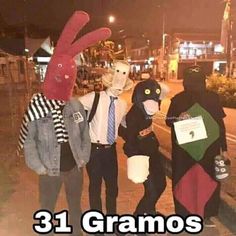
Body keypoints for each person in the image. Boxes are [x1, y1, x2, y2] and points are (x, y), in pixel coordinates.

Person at [18, 11, 111, 236]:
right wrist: (40, 167)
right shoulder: (37, 107)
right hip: (49, 170)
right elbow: (29, 142)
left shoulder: (75, 106)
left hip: (74, 169)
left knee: (75, 207)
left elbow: (83, 134)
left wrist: (83, 158)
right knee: (46, 209)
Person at [165, 65, 230, 227]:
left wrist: (225, 149)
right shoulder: (180, 99)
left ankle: (200, 215)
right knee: (191, 180)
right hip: (190, 151)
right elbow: (169, 120)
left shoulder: (210, 98)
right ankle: (194, 215)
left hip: (197, 151)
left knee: (202, 180)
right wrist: (178, 117)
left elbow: (219, 125)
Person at [79, 61, 133, 216]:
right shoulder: (93, 98)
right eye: (118, 74)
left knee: (112, 187)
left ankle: (112, 218)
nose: (120, 80)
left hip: (111, 150)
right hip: (94, 150)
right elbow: (73, 108)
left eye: (124, 76)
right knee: (95, 186)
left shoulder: (123, 104)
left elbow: (123, 125)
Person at [120, 79, 167, 216]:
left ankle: (150, 211)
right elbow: (129, 139)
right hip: (140, 156)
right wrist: (136, 158)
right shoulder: (134, 115)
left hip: (152, 152)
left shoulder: (146, 111)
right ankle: (137, 219)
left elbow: (159, 100)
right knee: (152, 190)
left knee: (161, 184)